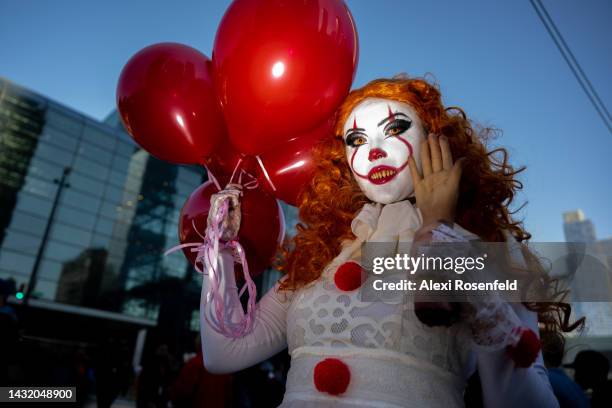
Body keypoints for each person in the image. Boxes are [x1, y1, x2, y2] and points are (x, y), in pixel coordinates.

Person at [199, 76, 581, 407]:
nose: (374, 150)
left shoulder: (481, 249)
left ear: (438, 139)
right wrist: (220, 248)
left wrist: (440, 236)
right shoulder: (321, 256)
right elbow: (224, 352)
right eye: (356, 139)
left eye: (396, 128)